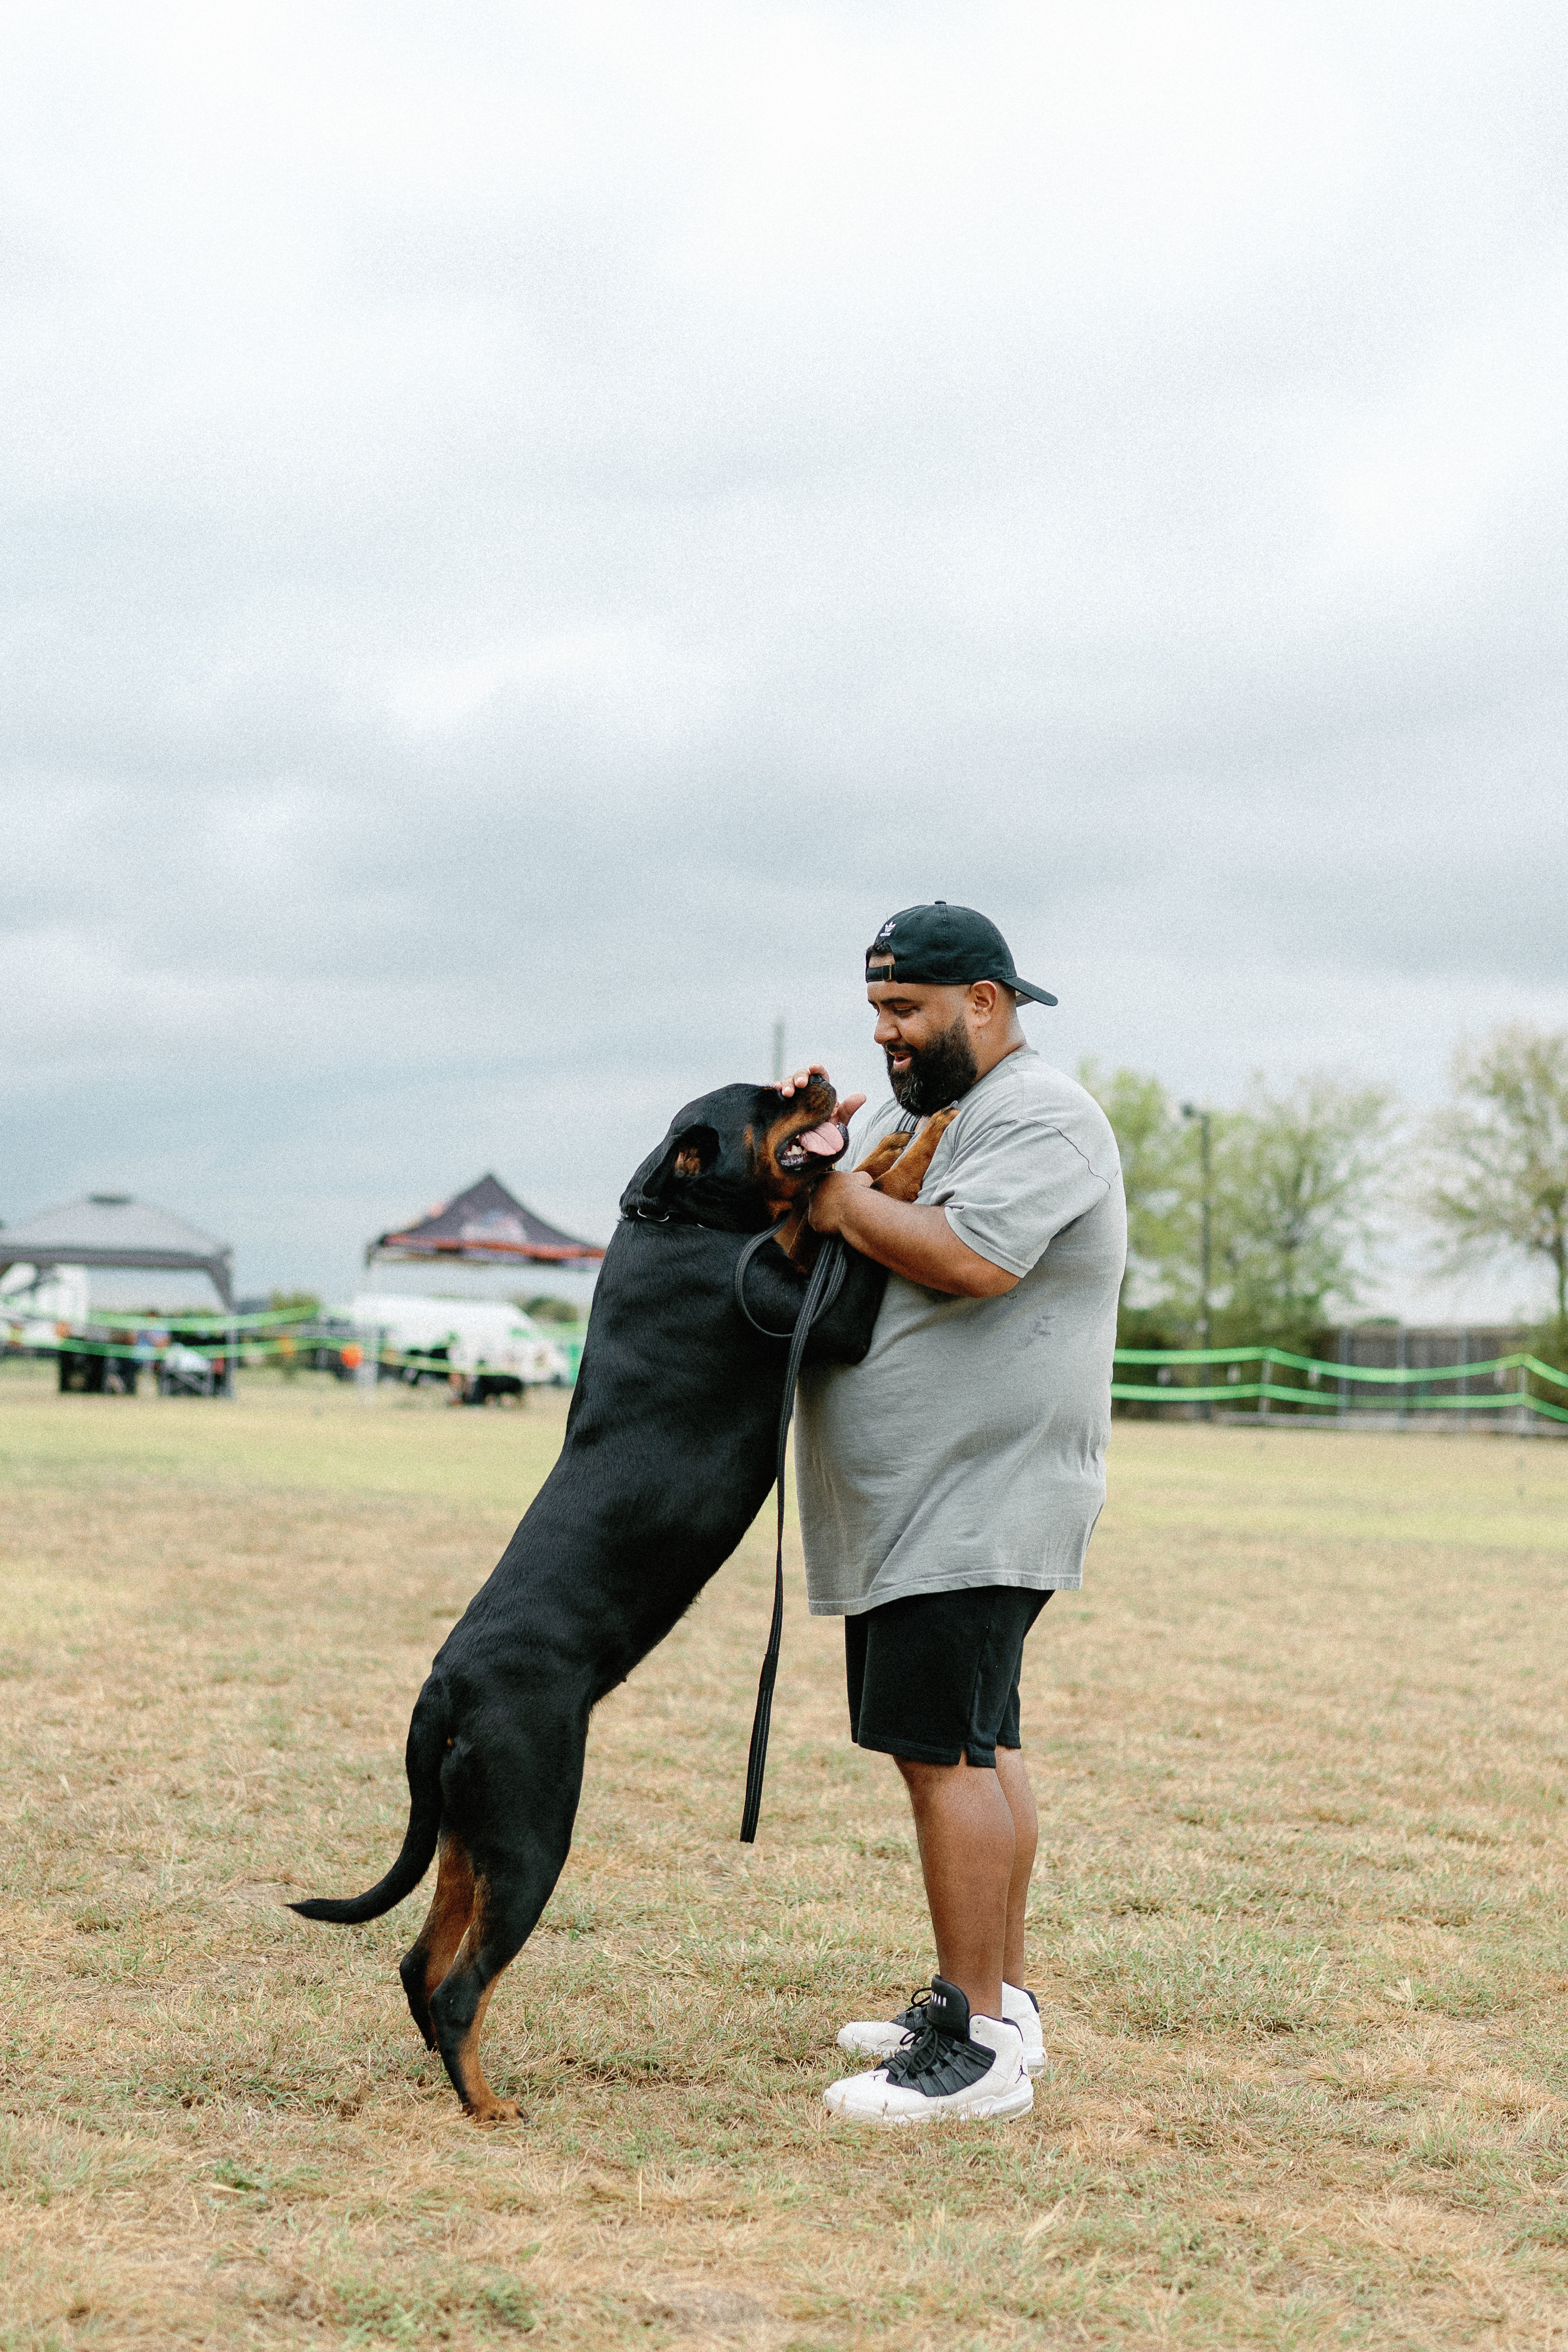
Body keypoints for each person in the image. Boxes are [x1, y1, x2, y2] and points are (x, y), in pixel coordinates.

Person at [783, 901, 1126, 2124]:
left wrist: (837, 1202)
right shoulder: (923, 1110)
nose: (884, 1035)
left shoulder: (1040, 1114)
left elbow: (972, 1255)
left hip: (975, 1495)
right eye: (877, 1009)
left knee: (945, 1756)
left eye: (904, 1011)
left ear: (983, 1000)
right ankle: (993, 1998)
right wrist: (812, 1137)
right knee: (980, 1743)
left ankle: (975, 2053)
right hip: (921, 1501)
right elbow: (850, 1167)